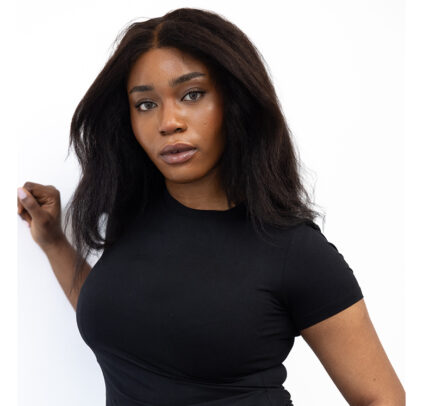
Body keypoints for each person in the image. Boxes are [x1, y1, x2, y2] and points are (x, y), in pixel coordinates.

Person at [17, 7, 405, 406]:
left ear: (234, 102)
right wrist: (54, 242)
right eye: (146, 104)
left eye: (192, 95)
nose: (169, 122)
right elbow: (122, 315)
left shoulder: (294, 251)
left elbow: (383, 398)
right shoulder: (134, 215)